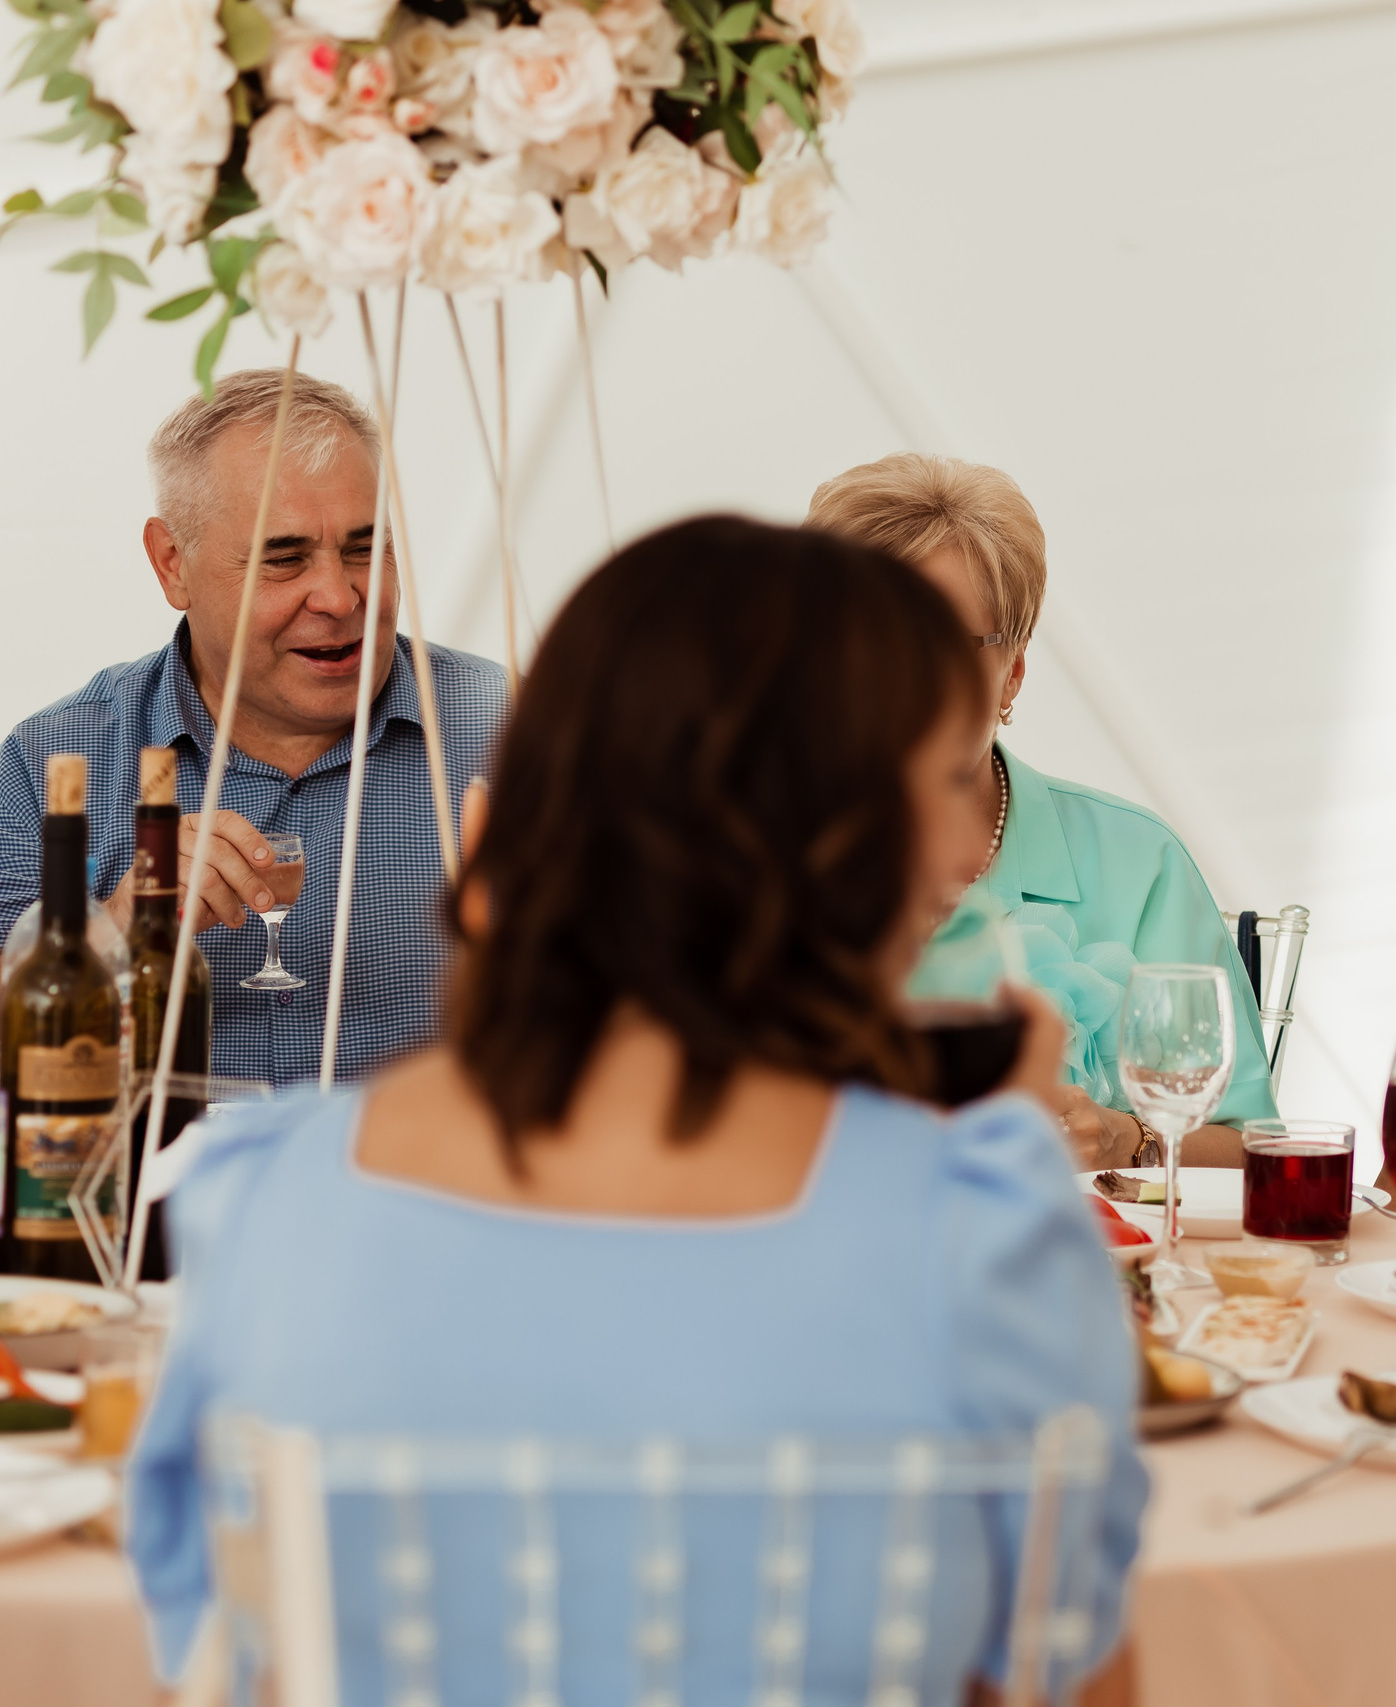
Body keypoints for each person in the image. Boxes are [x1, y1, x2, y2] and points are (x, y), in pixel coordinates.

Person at [125, 517, 1147, 1705]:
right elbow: (1065, 1681)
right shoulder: (991, 1239)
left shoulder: (264, 1198)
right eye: (940, 782)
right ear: (880, 855)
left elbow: (213, 1671)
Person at [0, 370, 505, 1087]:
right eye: (284, 558)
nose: (337, 595)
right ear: (172, 563)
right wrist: (114, 931)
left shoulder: (521, 732)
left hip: (424, 1191)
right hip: (145, 1195)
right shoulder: (49, 765)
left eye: (365, 548)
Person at [806, 453, 1275, 1167]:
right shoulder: (750, 861)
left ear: (1012, 673)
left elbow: (1255, 1151)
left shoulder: (1138, 864)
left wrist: (1129, 1137)